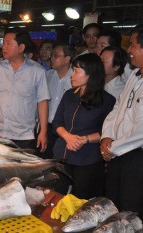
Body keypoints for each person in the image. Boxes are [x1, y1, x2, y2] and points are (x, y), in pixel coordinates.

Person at [52, 53, 116, 199]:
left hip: (88, 158)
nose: (72, 75)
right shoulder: (69, 95)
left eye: (76, 71)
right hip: (62, 154)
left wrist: (84, 139)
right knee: (57, 196)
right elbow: (57, 122)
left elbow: (109, 130)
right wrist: (68, 137)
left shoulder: (107, 100)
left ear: (91, 74)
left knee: (82, 200)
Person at [100, 24, 143, 219]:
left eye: (133, 45)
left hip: (136, 157)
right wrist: (107, 136)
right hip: (118, 152)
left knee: (130, 209)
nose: (129, 51)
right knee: (113, 202)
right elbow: (118, 107)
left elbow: (141, 130)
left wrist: (112, 147)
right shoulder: (135, 75)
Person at [43, 43, 75, 159]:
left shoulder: (75, 78)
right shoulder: (47, 76)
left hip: (66, 130)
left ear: (67, 59)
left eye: (56, 56)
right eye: (52, 55)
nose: (52, 58)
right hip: (45, 127)